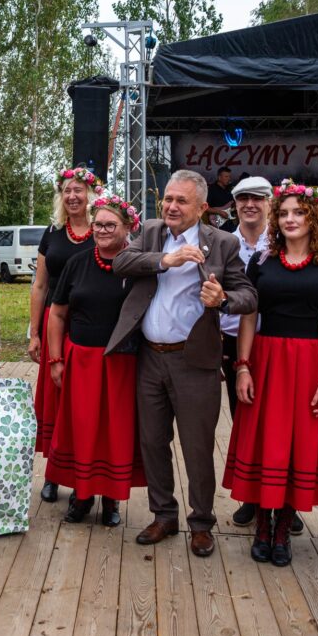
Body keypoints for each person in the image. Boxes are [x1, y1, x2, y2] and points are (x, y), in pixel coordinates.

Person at [108, 169, 257, 558]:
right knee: (153, 441)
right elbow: (121, 262)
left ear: (203, 207)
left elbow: (248, 296)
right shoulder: (153, 232)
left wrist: (222, 299)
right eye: (168, 199)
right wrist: (166, 260)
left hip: (196, 361)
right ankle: (164, 515)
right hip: (149, 357)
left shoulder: (222, 243)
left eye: (181, 201)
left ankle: (202, 522)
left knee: (197, 445)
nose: (171, 207)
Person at [223, 179, 318, 567]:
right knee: (266, 440)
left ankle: (283, 530)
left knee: (299, 442)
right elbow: (248, 317)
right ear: (275, 219)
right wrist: (242, 366)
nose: (291, 219)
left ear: (313, 218)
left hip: (310, 361)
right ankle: (263, 524)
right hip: (267, 358)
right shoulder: (262, 262)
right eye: (284, 213)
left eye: (299, 212)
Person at [46, 194, 144, 526]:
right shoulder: (78, 263)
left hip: (121, 362)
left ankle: (112, 498)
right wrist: (56, 358)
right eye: (98, 224)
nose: (102, 230)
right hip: (82, 360)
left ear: (127, 227)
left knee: (115, 429)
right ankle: (81, 494)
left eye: (110, 225)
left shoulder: (137, 266)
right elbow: (57, 314)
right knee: (83, 428)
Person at [220, 177, 306, 537]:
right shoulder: (222, 238)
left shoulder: (287, 236)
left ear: (270, 203)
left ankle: (286, 501)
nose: (249, 205)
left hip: (277, 342)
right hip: (228, 337)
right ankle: (252, 497)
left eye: (257, 199)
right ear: (235, 204)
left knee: (284, 424)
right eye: (243, 199)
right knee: (245, 421)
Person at [28, 166, 101, 504]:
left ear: (92, 194)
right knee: (57, 401)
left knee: (86, 406)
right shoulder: (54, 232)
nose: (72, 196)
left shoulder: (105, 230)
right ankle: (53, 475)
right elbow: (40, 285)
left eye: (79, 190)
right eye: (67, 191)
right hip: (54, 323)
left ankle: (87, 477)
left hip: (91, 324)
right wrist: (35, 334)